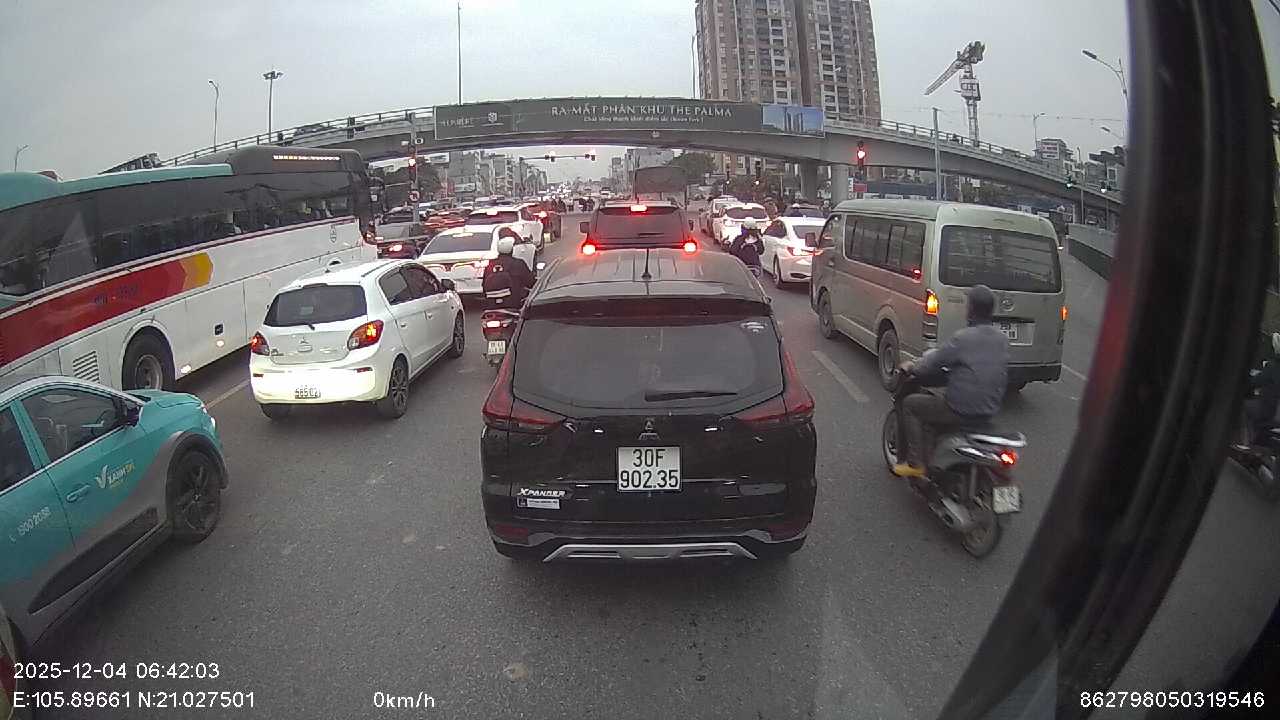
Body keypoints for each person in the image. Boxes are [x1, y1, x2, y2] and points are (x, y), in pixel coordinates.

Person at [892, 285, 1009, 478]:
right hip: (989, 410)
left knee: (911, 404)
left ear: (971, 309)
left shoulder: (963, 338)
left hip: (960, 410)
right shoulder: (1002, 339)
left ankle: (916, 463)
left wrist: (912, 366)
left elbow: (933, 362)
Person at [481, 233, 536, 310]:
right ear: (512, 250)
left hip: (491, 304)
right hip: (513, 303)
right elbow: (530, 282)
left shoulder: (490, 265)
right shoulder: (518, 263)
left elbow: (484, 285)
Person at [1242, 333, 1280, 443]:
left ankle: (1246, 443)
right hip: (1275, 413)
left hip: (1269, 413)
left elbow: (1253, 383)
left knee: (1242, 406)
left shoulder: (1273, 367)